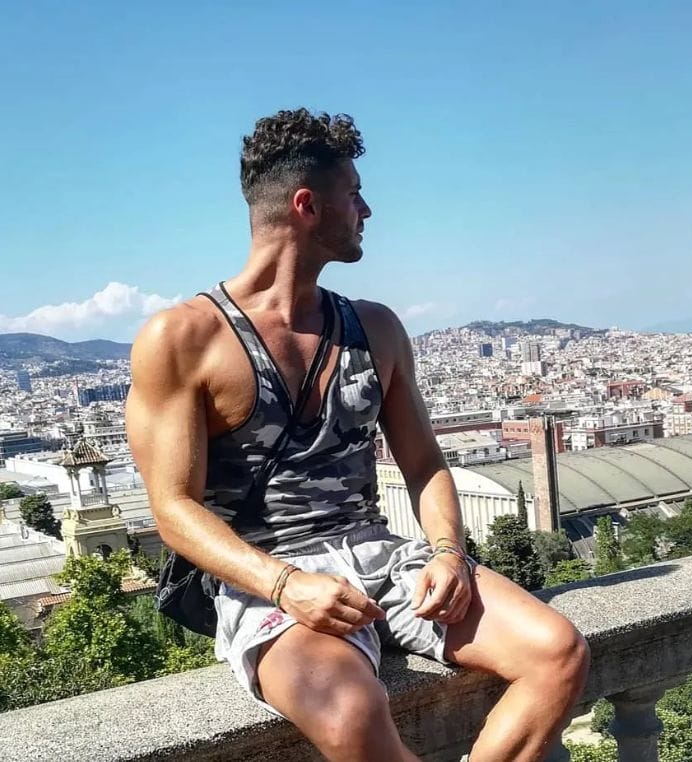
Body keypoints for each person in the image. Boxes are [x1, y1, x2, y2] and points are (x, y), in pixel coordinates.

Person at [126, 108, 589, 762]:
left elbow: (424, 464)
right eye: (354, 194)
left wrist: (448, 554)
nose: (366, 211)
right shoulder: (183, 337)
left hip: (382, 555)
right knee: (349, 713)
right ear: (307, 206)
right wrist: (286, 585)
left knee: (557, 653)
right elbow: (173, 508)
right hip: (268, 572)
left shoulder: (375, 327)